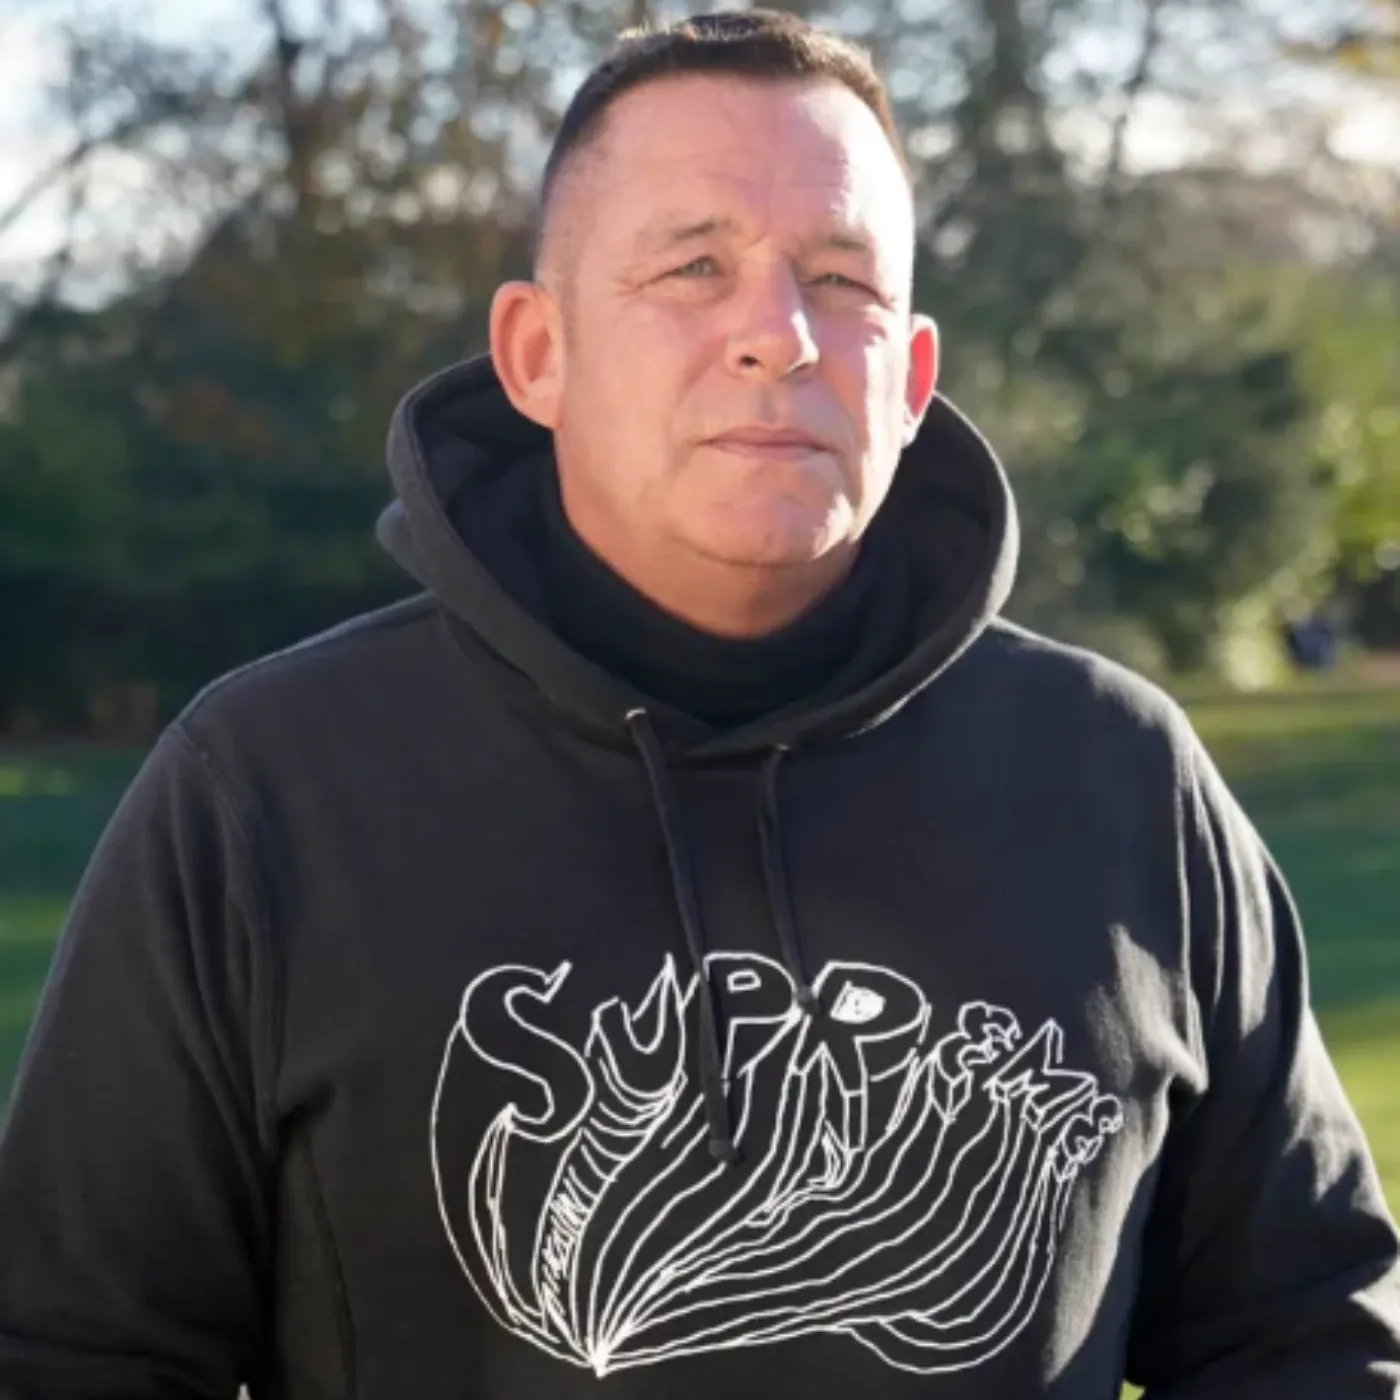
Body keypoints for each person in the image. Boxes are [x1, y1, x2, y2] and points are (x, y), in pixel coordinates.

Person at [1, 9, 1397, 1397]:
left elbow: (1305, 1329)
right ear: (536, 354)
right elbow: (73, 1353)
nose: (778, 338)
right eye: (693, 267)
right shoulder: (269, 790)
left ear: (912, 379)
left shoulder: (1116, 776)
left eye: (841, 279)